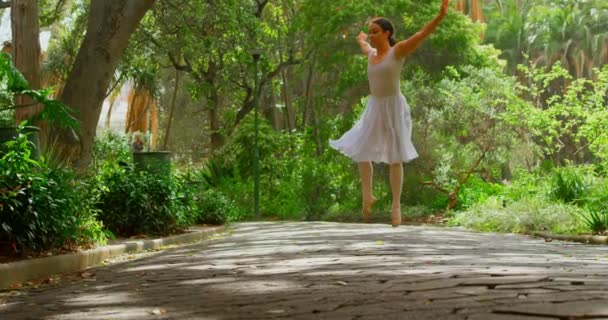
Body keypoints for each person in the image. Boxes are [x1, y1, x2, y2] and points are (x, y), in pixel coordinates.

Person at [329, 0, 450, 227]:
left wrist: (440, 16)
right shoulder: (371, 53)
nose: (371, 35)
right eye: (370, 32)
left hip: (394, 107)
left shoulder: (398, 51)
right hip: (375, 106)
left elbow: (423, 33)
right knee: (360, 148)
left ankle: (396, 206)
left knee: (395, 158)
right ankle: (368, 195)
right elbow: (363, 45)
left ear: (387, 33)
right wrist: (361, 39)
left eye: (375, 32)